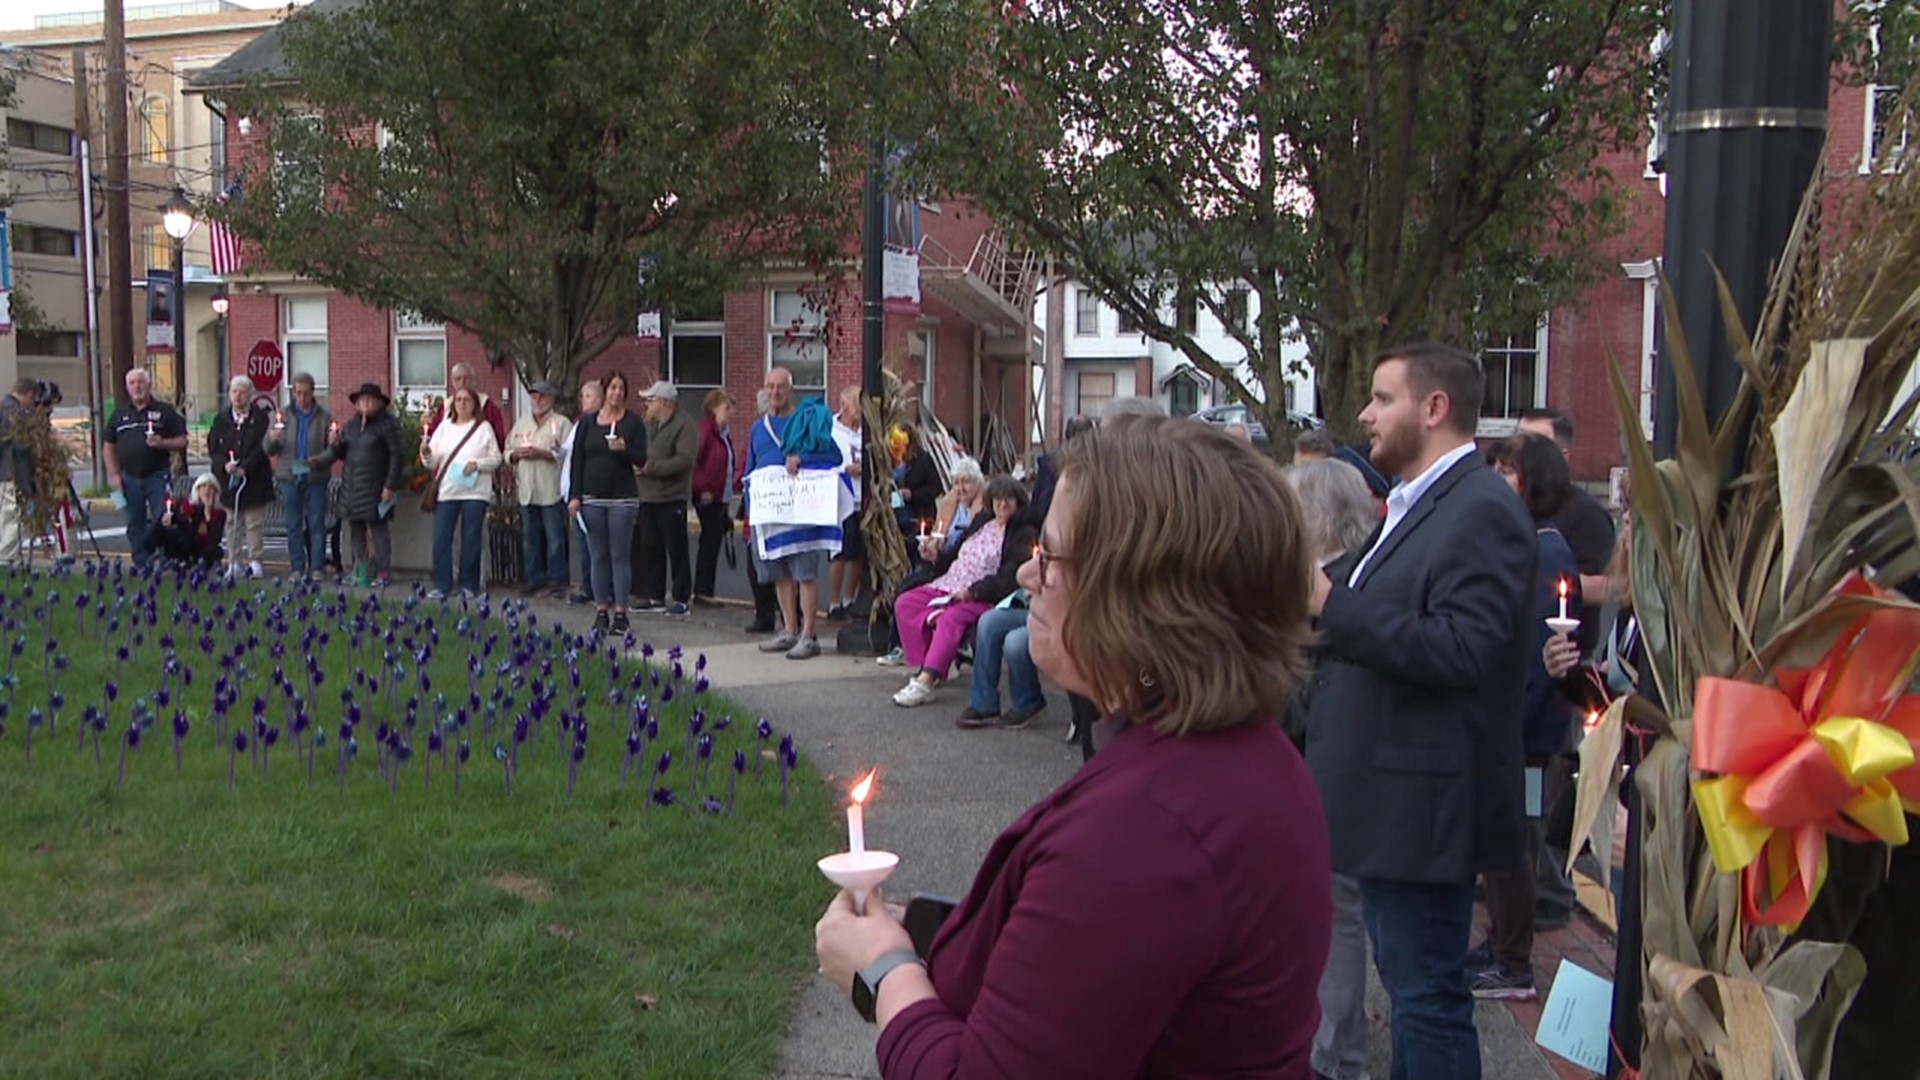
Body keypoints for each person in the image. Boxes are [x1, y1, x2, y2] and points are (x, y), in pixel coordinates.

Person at [814, 415, 1331, 1077]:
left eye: (1050, 555)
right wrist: (945, 934)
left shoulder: (1149, 831)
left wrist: (884, 970)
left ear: (1136, 598)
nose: (1029, 576)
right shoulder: (1239, 756)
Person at [1305, 343, 1535, 1080]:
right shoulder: (1414, 505)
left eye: (1382, 398)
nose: (1366, 414)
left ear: (1434, 408)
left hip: (1422, 808)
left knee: (1427, 997)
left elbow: (1464, 649)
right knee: (1413, 991)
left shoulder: (1481, 510)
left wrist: (1331, 606)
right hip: (1388, 805)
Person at [1278, 457, 1385, 1080]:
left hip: (1332, 771)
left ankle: (1333, 1056)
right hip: (1330, 764)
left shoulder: (1333, 590)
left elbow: (1308, 686)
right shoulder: (1356, 576)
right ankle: (1340, 1052)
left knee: (1336, 915)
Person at [1466, 432, 1581, 1002]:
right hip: (1513, 730)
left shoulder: (1545, 551)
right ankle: (1501, 943)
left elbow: (1539, 660)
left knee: (1515, 846)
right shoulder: (1523, 544)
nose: (1496, 479)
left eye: (1507, 470)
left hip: (1526, 737)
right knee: (1502, 845)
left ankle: (1513, 959)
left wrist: (1506, 731)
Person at [889, 477, 1035, 708]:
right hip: (950, 582)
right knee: (905, 603)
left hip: (982, 594)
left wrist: (972, 592)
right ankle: (933, 665)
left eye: (1009, 499)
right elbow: (956, 556)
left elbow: (1008, 578)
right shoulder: (982, 521)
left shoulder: (1022, 533)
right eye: (998, 499)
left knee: (951, 618)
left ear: (1018, 502)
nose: (1003, 504)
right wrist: (936, 557)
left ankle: (925, 681)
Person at [744, 367, 843, 660]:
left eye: (780, 387)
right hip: (770, 511)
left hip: (801, 511)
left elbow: (833, 457)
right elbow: (750, 470)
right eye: (770, 386)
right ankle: (788, 629)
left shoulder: (808, 421)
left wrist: (803, 459)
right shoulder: (757, 428)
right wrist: (751, 511)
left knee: (805, 573)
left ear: (791, 389)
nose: (775, 392)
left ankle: (808, 634)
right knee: (780, 574)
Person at [875, 459, 985, 668]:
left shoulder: (981, 512)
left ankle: (925, 654)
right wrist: (931, 545)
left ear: (978, 484)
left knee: (912, 588)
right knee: (906, 587)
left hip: (958, 569)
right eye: (957, 483)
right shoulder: (951, 505)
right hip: (942, 563)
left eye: (967, 482)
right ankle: (903, 647)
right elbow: (938, 533)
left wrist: (940, 553)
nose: (961, 488)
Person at [567, 371, 648, 635]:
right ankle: (601, 609)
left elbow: (641, 459)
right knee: (597, 555)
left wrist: (624, 448)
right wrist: (575, 496)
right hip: (592, 498)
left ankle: (621, 613)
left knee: (619, 555)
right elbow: (577, 460)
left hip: (622, 499)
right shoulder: (588, 424)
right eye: (612, 388)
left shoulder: (633, 423)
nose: (616, 393)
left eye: (620, 388)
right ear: (605, 391)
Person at [308, 382, 405, 588]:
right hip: (352, 486)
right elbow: (340, 452)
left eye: (370, 400)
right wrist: (324, 454)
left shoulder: (388, 425)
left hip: (376, 485)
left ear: (379, 403)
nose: (366, 404)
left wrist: (390, 485)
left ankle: (383, 571)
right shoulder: (351, 425)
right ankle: (359, 569)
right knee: (356, 529)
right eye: (362, 401)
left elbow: (397, 456)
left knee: (378, 530)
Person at [424, 386, 505, 601]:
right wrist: (425, 454)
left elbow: (497, 458)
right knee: (441, 539)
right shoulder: (444, 428)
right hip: (447, 491)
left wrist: (477, 464)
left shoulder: (484, 428)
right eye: (458, 400)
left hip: (475, 492)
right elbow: (432, 460)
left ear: (474, 404)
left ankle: (468, 585)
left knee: (471, 539)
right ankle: (442, 584)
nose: (461, 403)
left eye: (466, 400)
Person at [103, 368, 189, 569]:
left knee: (164, 517)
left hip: (157, 475)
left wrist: (162, 443)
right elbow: (108, 446)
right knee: (134, 521)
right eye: (132, 383)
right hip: (128, 477)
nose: (137, 387)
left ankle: (167, 557)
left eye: (141, 382)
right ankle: (142, 561)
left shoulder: (165, 411)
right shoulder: (119, 414)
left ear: (149, 386)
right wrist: (113, 475)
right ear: (127, 388)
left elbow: (183, 440)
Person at [632, 380, 698, 616]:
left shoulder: (684, 425)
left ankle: (681, 598)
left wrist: (652, 467)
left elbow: (684, 460)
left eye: (650, 400)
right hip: (648, 495)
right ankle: (654, 595)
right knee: (650, 547)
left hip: (672, 497)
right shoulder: (648, 425)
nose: (647, 404)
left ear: (664, 402)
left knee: (676, 549)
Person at [206, 375, 277, 580]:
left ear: (250, 394)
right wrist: (225, 465)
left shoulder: (260, 418)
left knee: (253, 523)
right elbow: (214, 448)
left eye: (242, 392)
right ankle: (233, 561)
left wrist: (245, 467)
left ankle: (255, 561)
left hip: (254, 478)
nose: (238, 396)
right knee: (232, 522)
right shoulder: (221, 419)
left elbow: (262, 448)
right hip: (229, 479)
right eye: (234, 392)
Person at [266, 372, 333, 581]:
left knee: (316, 524)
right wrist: (273, 438)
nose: (302, 398)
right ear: (293, 392)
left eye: (306, 393)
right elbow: (268, 449)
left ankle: (317, 567)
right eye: (298, 393)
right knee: (293, 523)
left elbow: (333, 451)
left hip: (315, 476)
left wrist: (323, 455)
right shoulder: (282, 416)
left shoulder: (324, 417)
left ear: (313, 392)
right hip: (289, 476)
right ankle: (297, 567)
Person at [508, 380, 572, 599]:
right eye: (534, 397)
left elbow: (566, 456)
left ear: (551, 399)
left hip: (550, 489)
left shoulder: (562, 423)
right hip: (527, 489)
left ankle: (557, 581)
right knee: (530, 538)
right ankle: (534, 578)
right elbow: (507, 450)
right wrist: (516, 455)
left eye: (542, 397)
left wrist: (542, 454)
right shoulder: (522, 423)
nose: (537, 401)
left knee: (555, 539)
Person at [691, 389, 738, 606]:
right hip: (706, 494)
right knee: (710, 538)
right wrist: (702, 488)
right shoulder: (705, 432)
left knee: (714, 538)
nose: (731, 412)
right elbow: (695, 463)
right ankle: (702, 590)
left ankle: (706, 589)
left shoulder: (723, 434)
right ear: (713, 409)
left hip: (720, 495)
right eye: (726, 408)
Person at [561, 380, 603, 603]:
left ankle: (600, 588)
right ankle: (588, 586)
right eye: (582, 396)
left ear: (598, 398)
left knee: (593, 542)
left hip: (588, 492)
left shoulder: (598, 422)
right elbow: (567, 451)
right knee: (582, 542)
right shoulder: (579, 424)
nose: (583, 400)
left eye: (587, 396)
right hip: (572, 490)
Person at [828, 386, 868, 619]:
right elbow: (824, 462)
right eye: (856, 407)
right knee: (839, 552)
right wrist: (844, 469)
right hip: (840, 498)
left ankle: (849, 598)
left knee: (857, 553)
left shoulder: (865, 432)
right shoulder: (832, 432)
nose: (859, 413)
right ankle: (834, 603)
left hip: (861, 498)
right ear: (844, 406)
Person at [424, 361, 508, 449]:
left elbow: (499, 440)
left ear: (473, 380)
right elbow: (433, 438)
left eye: (466, 378)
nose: (462, 383)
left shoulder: (487, 407)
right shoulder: (445, 407)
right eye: (458, 379)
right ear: (453, 382)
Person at [148, 473, 226, 567]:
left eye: (211, 487)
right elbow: (183, 525)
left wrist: (208, 514)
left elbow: (214, 538)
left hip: (204, 547)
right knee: (161, 527)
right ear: (197, 489)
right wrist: (170, 519)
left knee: (215, 551)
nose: (207, 490)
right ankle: (152, 556)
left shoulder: (219, 513)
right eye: (203, 486)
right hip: (186, 542)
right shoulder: (187, 506)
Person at [0, 378, 37, 566]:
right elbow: (22, 444)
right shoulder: (15, 413)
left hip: (4, 472)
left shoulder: (2, 407)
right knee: (12, 518)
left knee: (4, 518)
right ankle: (6, 559)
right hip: (11, 471)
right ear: (29, 394)